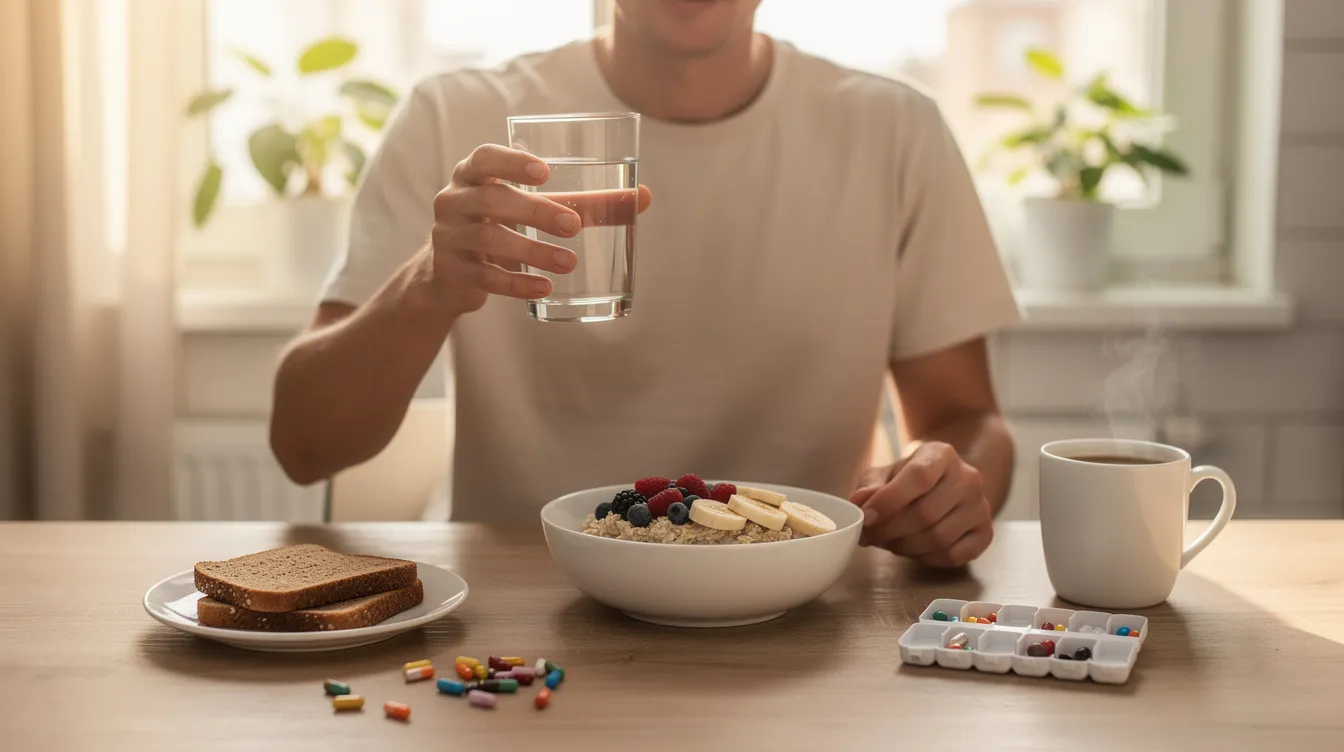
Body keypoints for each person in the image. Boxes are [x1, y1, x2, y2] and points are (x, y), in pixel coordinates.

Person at [271, 0, 1021, 568]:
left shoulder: (893, 131)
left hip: (797, 607)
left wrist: (949, 486)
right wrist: (427, 284)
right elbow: (304, 444)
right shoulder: (453, 116)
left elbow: (966, 420)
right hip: (516, 606)